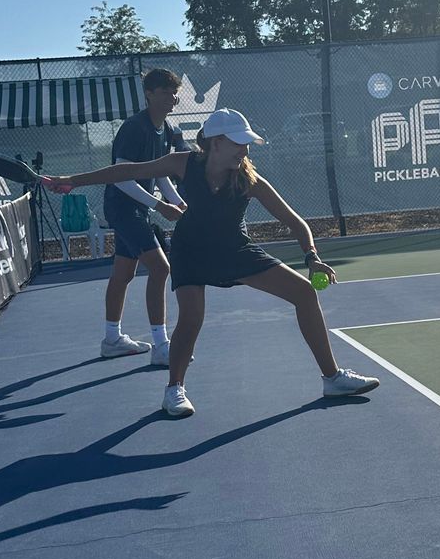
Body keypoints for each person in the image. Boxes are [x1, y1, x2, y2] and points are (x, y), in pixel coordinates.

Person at [44, 107, 379, 418]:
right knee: (191, 318)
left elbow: (296, 222)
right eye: (238, 143)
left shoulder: (248, 180)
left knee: (305, 292)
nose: (244, 150)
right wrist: (73, 180)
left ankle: (332, 378)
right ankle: (174, 390)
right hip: (191, 250)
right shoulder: (183, 164)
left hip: (235, 250)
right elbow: (129, 170)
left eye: (246, 144)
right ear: (216, 143)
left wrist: (312, 257)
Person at [99, 67, 189, 367]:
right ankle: (161, 346)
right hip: (121, 207)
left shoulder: (167, 129)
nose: (171, 98)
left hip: (136, 208)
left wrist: (178, 202)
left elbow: (160, 173)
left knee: (123, 274)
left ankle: (112, 339)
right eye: (164, 93)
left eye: (174, 93)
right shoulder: (134, 128)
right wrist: (159, 206)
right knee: (161, 268)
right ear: (149, 94)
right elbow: (121, 177)